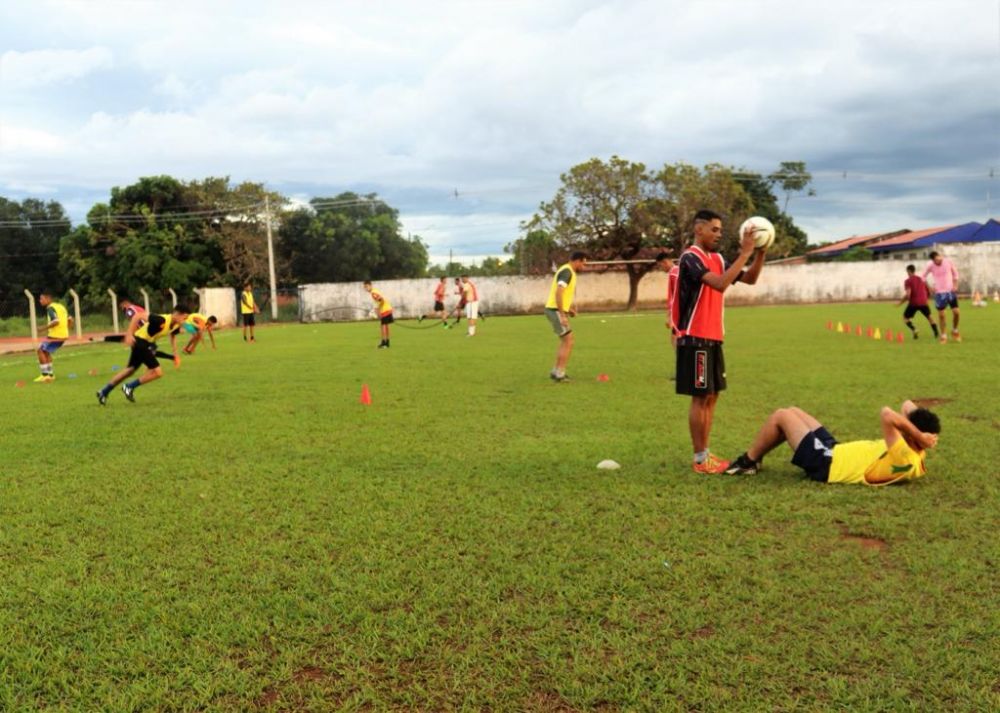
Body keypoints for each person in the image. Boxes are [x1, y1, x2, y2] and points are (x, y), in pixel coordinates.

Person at [673, 210, 766, 474]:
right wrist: (745, 253)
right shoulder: (690, 258)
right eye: (714, 229)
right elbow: (720, 284)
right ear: (698, 230)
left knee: (712, 396)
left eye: (720, 231)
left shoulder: (718, 258)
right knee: (700, 397)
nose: (718, 234)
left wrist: (760, 252)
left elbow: (750, 278)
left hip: (714, 337)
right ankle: (700, 458)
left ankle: (706, 455)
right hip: (695, 338)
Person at [724, 400, 940, 485]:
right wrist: (921, 436)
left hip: (826, 464)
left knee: (782, 415)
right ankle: (756, 459)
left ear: (912, 436)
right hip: (835, 451)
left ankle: (748, 461)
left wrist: (919, 435)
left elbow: (887, 413)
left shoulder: (902, 453)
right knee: (794, 411)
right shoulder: (915, 452)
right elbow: (906, 406)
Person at [95, 304, 190, 405]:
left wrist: (175, 353)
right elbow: (138, 316)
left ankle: (103, 392)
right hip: (140, 341)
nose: (185, 321)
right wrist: (129, 334)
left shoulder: (175, 324)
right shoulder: (161, 319)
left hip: (144, 343)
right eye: (184, 318)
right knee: (157, 372)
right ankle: (129, 387)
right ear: (177, 314)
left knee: (129, 370)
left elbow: (173, 335)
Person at [544, 251, 588, 382]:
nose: (584, 267)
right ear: (578, 261)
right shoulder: (567, 272)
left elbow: (562, 295)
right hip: (555, 310)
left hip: (555, 310)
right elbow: (559, 292)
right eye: (584, 264)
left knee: (566, 341)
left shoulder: (567, 271)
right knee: (568, 341)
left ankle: (556, 371)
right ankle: (559, 373)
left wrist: (569, 310)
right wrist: (562, 314)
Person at [922, 251, 960, 343]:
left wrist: (955, 285)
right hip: (939, 293)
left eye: (939, 258)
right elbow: (923, 277)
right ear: (933, 261)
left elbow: (955, 274)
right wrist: (929, 288)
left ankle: (955, 331)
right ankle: (943, 336)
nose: (938, 261)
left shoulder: (948, 262)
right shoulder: (930, 266)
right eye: (936, 260)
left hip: (950, 291)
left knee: (956, 312)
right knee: (942, 315)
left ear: (940, 256)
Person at [34, 290, 71, 383]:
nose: (40, 300)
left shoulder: (50, 308)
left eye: (41, 298)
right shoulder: (61, 307)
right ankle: (50, 375)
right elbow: (70, 319)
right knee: (46, 352)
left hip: (55, 335)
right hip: (63, 335)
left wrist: (42, 328)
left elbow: (55, 321)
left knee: (40, 350)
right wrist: (67, 329)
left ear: (48, 299)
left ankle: (45, 375)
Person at [898, 265, 938, 339]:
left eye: (907, 271)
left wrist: (900, 303)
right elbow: (929, 291)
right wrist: (926, 299)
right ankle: (936, 333)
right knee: (930, 317)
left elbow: (908, 295)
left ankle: (914, 329)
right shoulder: (922, 279)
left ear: (909, 271)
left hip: (913, 303)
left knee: (905, 318)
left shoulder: (908, 281)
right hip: (924, 302)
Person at [656, 251, 678, 380]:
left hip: (679, 314)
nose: (661, 268)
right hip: (682, 313)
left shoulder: (674, 273)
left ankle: (682, 372)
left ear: (665, 262)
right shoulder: (678, 271)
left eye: (660, 266)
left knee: (676, 341)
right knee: (676, 341)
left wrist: (670, 315)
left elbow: (675, 296)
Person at [363, 281, 394, 348]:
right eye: (365, 287)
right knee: (385, 326)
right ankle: (387, 342)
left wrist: (378, 309)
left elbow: (381, 300)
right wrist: (376, 309)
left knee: (383, 326)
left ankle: (384, 343)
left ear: (370, 285)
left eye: (367, 287)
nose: (366, 289)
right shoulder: (375, 291)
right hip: (388, 308)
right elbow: (379, 301)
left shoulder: (373, 293)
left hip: (384, 310)